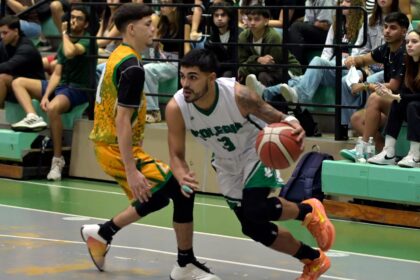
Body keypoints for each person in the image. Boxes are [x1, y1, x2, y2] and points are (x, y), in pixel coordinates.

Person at [166, 48, 336, 280]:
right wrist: (182, 174)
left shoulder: (238, 95)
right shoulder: (176, 107)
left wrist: (292, 122)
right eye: (182, 76)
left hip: (255, 150)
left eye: (193, 77)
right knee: (253, 227)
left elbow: (274, 115)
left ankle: (308, 211)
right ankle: (313, 259)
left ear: (211, 78)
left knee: (254, 208)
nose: (185, 83)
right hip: (225, 162)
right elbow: (176, 154)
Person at [81, 4, 220, 280]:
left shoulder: (119, 55)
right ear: (131, 29)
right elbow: (122, 121)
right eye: (147, 23)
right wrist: (131, 170)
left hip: (111, 145)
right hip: (115, 147)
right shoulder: (132, 67)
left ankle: (102, 233)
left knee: (156, 197)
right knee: (182, 190)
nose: (153, 28)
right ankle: (184, 264)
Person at [11, 5, 96, 181]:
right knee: (18, 82)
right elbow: (57, 73)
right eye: (72, 17)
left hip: (78, 88)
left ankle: (57, 160)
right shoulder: (67, 39)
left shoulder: (88, 40)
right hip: (61, 85)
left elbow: (71, 52)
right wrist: (45, 95)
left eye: (78, 18)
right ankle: (32, 116)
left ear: (86, 24)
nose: (73, 21)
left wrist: (64, 34)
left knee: (53, 108)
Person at [246, 0, 364, 109]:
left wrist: (324, 64)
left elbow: (356, 54)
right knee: (300, 79)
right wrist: (321, 67)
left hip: (349, 68)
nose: (343, 4)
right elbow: (327, 51)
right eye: (341, 1)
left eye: (347, 1)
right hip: (333, 66)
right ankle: (266, 93)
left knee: (315, 63)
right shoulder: (336, 24)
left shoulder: (362, 25)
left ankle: (301, 96)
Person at [340, 12, 409, 160]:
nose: (387, 31)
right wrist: (353, 60)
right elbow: (365, 59)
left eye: (393, 28)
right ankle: (383, 151)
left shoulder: (404, 52)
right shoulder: (386, 48)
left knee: (375, 98)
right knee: (357, 119)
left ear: (403, 31)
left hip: (407, 103)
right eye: (385, 27)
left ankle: (363, 148)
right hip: (394, 103)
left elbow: (393, 86)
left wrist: (364, 85)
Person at [368, 26, 420, 167]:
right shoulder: (409, 63)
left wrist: (397, 97)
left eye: (414, 41)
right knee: (399, 104)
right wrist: (392, 96)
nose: (409, 45)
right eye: (408, 41)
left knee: (412, 106)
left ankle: (416, 156)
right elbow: (405, 90)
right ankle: (388, 152)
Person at [238, 5, 302, 86]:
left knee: (262, 76)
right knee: (245, 76)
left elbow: (272, 66)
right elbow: (241, 62)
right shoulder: (243, 36)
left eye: (257, 19)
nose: (252, 23)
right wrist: (258, 59)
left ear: (266, 21)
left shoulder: (273, 37)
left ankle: (269, 98)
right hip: (262, 70)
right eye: (250, 19)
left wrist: (249, 65)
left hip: (288, 70)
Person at [0, 15, 45, 108]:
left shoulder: (26, 48)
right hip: (16, 82)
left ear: (16, 31)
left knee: (2, 78)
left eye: (5, 33)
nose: (2, 36)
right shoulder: (5, 44)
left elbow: (9, 66)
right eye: (0, 33)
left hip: (34, 86)